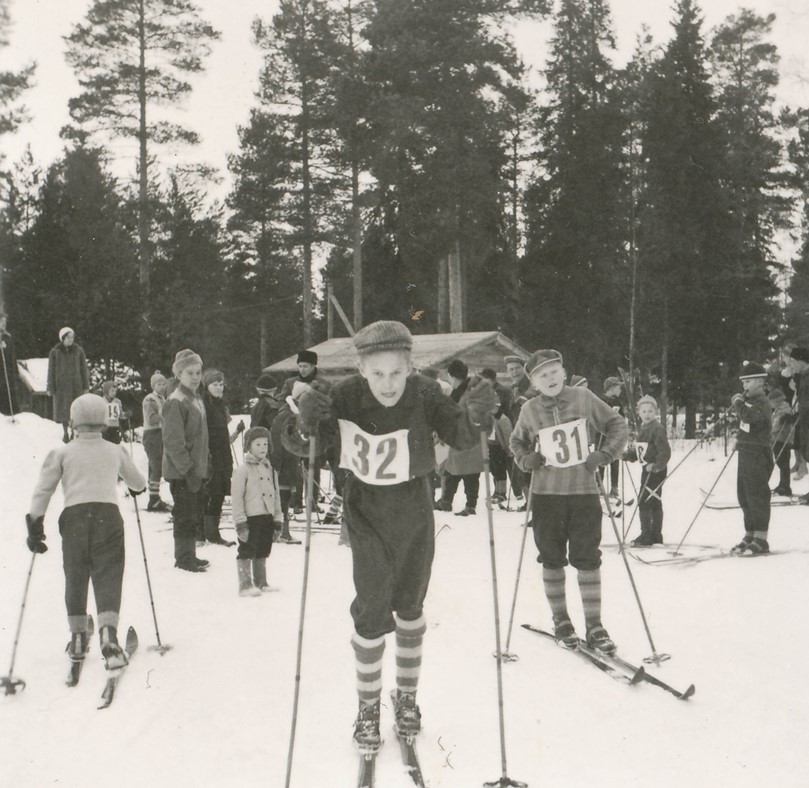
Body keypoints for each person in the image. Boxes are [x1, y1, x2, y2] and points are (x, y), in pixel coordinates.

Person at [285, 320, 497, 754]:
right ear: (362, 369)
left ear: (410, 367)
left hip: (415, 507)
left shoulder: (424, 391)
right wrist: (305, 424)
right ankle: (367, 705)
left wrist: (478, 415)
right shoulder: (343, 394)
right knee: (371, 604)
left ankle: (406, 697)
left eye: (396, 373)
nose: (387, 383)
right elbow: (305, 443)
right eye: (377, 373)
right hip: (364, 510)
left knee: (410, 604)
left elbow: (460, 435)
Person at [510, 349, 628, 655]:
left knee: (587, 557)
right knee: (551, 558)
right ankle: (561, 620)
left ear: (564, 372)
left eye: (553, 372)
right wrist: (527, 459)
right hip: (547, 496)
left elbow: (617, 425)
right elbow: (516, 441)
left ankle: (595, 624)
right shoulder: (530, 410)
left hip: (583, 492)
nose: (549, 379)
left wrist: (604, 455)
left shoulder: (584, 398)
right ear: (533, 383)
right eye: (541, 376)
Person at [24, 393, 145, 671]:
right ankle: (108, 633)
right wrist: (134, 486)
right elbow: (137, 483)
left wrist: (35, 523)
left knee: (75, 573)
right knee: (108, 573)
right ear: (104, 422)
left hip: (74, 518)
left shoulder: (62, 452)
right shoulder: (115, 450)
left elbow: (44, 489)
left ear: (73, 422)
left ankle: (78, 637)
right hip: (108, 517)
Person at [162, 349, 211, 573]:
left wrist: (206, 461)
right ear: (179, 374)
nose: (195, 377)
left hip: (196, 469)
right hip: (182, 472)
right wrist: (188, 468)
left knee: (192, 513)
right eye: (189, 372)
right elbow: (173, 441)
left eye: (198, 372)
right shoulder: (176, 401)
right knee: (183, 514)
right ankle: (183, 557)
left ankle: (189, 553)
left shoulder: (196, 398)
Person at [230, 426, 283, 596]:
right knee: (247, 548)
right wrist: (240, 522)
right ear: (249, 446)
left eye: (265, 444)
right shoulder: (242, 470)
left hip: (266, 516)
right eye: (258, 444)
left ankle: (261, 582)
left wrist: (277, 518)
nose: (262, 448)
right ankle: (245, 585)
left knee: (263, 548)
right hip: (250, 517)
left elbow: (276, 497)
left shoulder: (270, 470)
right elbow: (237, 498)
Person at [729, 362, 773, 554]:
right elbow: (745, 426)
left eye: (748, 381)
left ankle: (761, 538)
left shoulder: (762, 401)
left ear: (760, 381)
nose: (745, 386)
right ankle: (750, 533)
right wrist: (739, 439)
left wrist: (738, 403)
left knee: (756, 494)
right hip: (746, 450)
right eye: (743, 382)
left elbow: (748, 417)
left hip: (758, 453)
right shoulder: (748, 400)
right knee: (744, 494)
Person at [434, 360, 484, 516]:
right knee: (464, 472)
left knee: (457, 471)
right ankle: (460, 503)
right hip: (472, 438)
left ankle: (454, 503)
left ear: (452, 376)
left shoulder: (461, 393)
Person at [201, 368, 240, 547]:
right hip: (210, 455)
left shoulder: (220, 404)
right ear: (207, 386)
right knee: (209, 493)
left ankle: (212, 531)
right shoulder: (204, 404)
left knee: (218, 494)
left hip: (223, 455)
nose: (218, 388)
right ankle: (203, 532)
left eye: (221, 384)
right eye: (214, 384)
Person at [627, 395, 671, 547]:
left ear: (655, 412)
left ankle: (647, 535)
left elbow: (665, 451)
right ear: (639, 413)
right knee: (653, 501)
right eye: (644, 411)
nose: (647, 414)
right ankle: (655, 535)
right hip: (648, 469)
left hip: (655, 471)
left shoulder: (657, 428)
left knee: (645, 501)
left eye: (650, 411)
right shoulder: (644, 428)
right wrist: (628, 455)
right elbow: (642, 451)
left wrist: (656, 465)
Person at [269, 383, 306, 545]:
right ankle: (279, 532)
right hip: (281, 465)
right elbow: (276, 442)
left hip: (291, 463)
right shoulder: (285, 416)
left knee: (287, 497)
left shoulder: (298, 415)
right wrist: (276, 466)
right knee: (281, 499)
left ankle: (283, 531)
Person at [47, 327, 90, 442]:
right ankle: (65, 431)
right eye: (68, 337)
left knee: (75, 409)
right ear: (63, 338)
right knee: (63, 410)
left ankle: (73, 431)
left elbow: (83, 369)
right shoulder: (55, 352)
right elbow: (51, 370)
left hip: (76, 385)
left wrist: (86, 386)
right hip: (61, 385)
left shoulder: (79, 351)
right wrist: (50, 387)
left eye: (72, 337)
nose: (71, 340)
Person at [142, 372, 172, 512]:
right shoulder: (150, 399)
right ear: (153, 385)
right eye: (158, 384)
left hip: (161, 433)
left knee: (157, 465)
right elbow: (151, 418)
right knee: (156, 465)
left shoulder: (163, 399)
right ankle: (153, 499)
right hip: (152, 434)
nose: (161, 387)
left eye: (163, 384)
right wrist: (166, 415)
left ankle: (154, 496)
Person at [601, 376, 625, 500]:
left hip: (615, 437)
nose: (620, 389)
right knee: (601, 460)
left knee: (615, 460)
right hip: (602, 436)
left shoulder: (618, 402)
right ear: (612, 388)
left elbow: (622, 418)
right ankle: (599, 487)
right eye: (618, 386)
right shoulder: (600, 401)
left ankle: (614, 489)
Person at [769, 388, 794, 497]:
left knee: (783, 464)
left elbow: (776, 425)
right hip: (778, 439)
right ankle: (782, 484)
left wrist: (768, 429)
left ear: (775, 401)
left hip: (782, 439)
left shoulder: (783, 410)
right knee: (781, 463)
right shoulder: (779, 409)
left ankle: (785, 487)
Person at [0, 310, 19, 416]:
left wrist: (15, 372)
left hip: (8, 374)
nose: (4, 323)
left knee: (10, 398)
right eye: (1, 321)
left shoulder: (8, 337)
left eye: (5, 321)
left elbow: (13, 357)